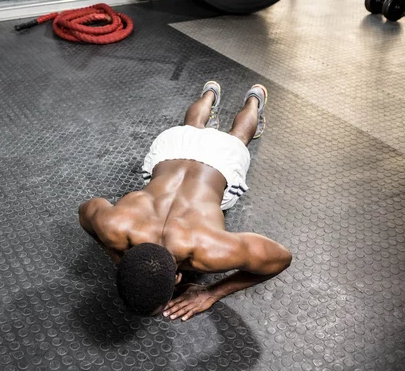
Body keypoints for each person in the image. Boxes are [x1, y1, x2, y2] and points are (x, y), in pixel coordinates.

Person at [79, 81, 292, 321]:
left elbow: (281, 257)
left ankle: (254, 99)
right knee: (191, 127)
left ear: (178, 278)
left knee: (239, 137)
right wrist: (115, 252)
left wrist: (211, 293)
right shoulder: (113, 226)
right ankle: (216, 94)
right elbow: (87, 211)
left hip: (219, 162)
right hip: (172, 148)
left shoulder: (208, 250)